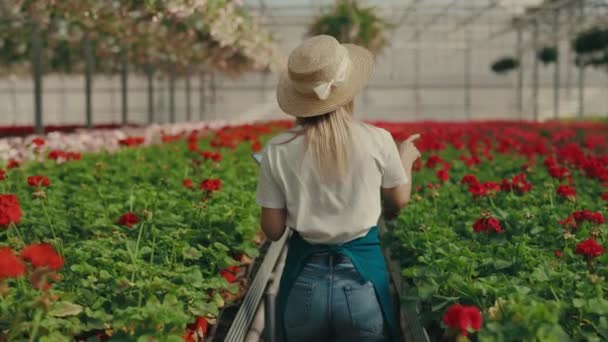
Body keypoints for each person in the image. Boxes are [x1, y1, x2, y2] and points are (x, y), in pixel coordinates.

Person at [255, 35, 420, 342]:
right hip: (361, 285)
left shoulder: (277, 149)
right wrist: (405, 159)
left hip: (304, 288)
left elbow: (273, 230)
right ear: (348, 90)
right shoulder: (378, 139)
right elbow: (399, 200)